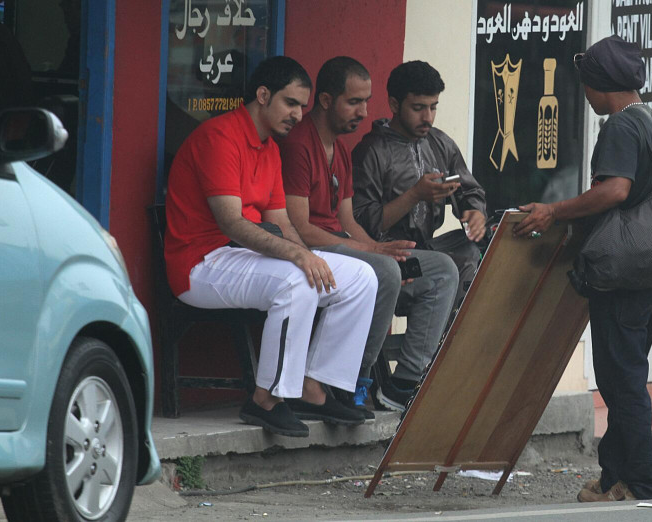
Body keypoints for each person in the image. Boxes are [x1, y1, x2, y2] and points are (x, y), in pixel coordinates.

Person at [164, 56, 376, 437]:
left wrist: (308, 255)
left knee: (361, 276)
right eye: (290, 103)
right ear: (263, 95)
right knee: (295, 281)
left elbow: (281, 222)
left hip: (244, 256)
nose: (297, 115)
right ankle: (266, 400)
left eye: (302, 106)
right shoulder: (220, 136)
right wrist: (298, 256)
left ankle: (313, 387)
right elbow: (231, 223)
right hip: (200, 263)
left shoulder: (271, 148)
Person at [514, 36, 652, 502]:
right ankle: (614, 479)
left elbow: (615, 191)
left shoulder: (620, 127)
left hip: (624, 278)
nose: (584, 94)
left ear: (598, 83)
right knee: (623, 379)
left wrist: (554, 211)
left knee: (622, 384)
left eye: (586, 83)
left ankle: (642, 482)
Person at [280, 56, 459, 411]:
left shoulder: (340, 149)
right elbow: (299, 229)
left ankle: (404, 382)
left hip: (342, 247)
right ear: (326, 100)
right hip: (311, 252)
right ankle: (354, 380)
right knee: (386, 270)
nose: (364, 112)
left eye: (365, 101)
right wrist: (374, 253)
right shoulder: (299, 144)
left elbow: (347, 219)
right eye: (354, 102)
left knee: (441, 270)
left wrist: (378, 247)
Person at [352, 60, 487, 310]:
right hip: (388, 255)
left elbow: (469, 189)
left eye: (433, 107)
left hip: (427, 248)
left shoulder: (440, 143)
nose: (428, 118)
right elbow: (361, 223)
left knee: (477, 248)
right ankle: (440, 334)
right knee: (445, 269)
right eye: (418, 108)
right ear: (394, 104)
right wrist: (414, 195)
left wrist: (474, 212)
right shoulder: (372, 151)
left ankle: (453, 332)